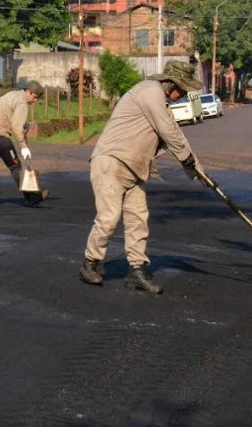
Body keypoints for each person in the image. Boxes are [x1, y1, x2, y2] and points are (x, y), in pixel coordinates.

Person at [77, 60, 205, 295]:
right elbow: (167, 130)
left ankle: (137, 271)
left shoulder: (160, 101)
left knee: (138, 218)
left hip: (134, 167)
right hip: (112, 162)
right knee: (109, 216)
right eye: (183, 90)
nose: (184, 95)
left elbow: (174, 133)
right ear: (171, 84)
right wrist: (186, 159)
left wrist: (196, 169)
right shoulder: (150, 92)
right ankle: (89, 263)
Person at [0, 80, 45, 205]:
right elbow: (16, 126)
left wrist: (23, 128)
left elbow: (14, 120)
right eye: (34, 97)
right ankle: (32, 198)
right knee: (15, 166)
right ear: (28, 92)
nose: (34, 101)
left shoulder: (13, 94)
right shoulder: (22, 103)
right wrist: (23, 146)